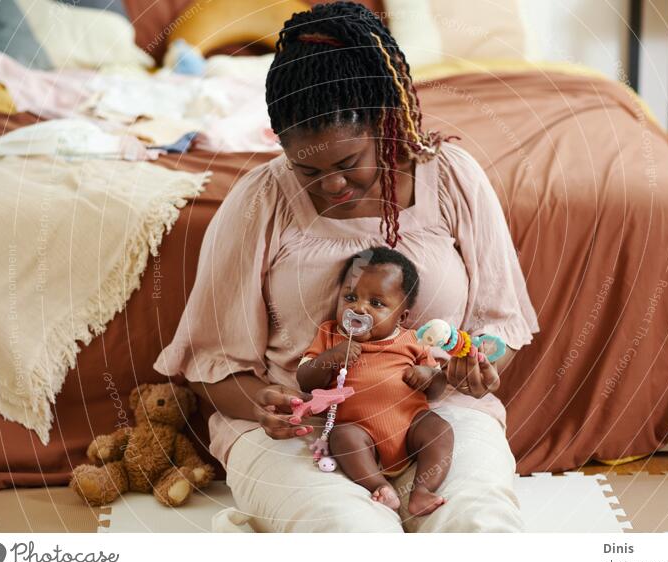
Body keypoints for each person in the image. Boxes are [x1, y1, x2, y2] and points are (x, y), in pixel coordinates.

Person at [153, 1, 539, 532]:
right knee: (346, 535)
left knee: (479, 524)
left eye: (346, 164)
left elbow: (499, 327)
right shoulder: (260, 201)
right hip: (305, 430)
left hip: (437, 417)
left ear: (385, 122)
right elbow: (213, 364)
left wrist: (468, 371)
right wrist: (264, 405)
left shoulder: (453, 179)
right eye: (306, 168)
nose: (329, 186)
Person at [297, 246, 452, 516]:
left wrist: (429, 376)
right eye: (350, 297)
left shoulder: (412, 340)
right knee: (342, 438)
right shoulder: (330, 334)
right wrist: (332, 357)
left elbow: (437, 390)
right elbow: (305, 380)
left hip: (410, 424)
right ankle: (379, 486)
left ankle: (422, 490)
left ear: (401, 317)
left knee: (439, 430)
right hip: (358, 431)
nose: (358, 308)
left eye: (376, 303)